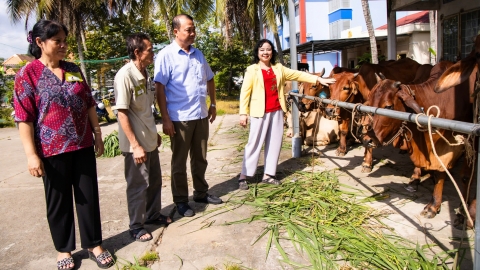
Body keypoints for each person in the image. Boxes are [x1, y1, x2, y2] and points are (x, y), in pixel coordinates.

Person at [14, 19, 113, 270]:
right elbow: (23, 118)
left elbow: (89, 102)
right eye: (57, 41)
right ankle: (64, 249)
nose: (63, 46)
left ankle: (94, 244)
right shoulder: (27, 75)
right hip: (51, 149)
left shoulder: (73, 68)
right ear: (40, 42)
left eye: (64, 41)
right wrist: (31, 155)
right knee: (58, 202)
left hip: (81, 145)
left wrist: (97, 133)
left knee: (88, 198)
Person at [237, 39, 336, 190]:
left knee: (275, 143)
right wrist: (243, 113)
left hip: (276, 111)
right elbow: (245, 92)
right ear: (257, 52)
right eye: (262, 49)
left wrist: (318, 78)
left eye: (268, 49)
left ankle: (268, 175)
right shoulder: (252, 70)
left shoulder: (279, 69)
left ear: (272, 52)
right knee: (254, 143)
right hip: (259, 112)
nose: (265, 52)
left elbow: (297, 75)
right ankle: (244, 175)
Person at [154, 14, 223, 218]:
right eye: (188, 30)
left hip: (201, 114)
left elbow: (210, 79)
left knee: (200, 158)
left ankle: (201, 193)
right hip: (179, 117)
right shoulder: (166, 55)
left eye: (193, 29)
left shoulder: (198, 54)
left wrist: (213, 104)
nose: (193, 33)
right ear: (176, 31)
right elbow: (160, 88)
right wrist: (165, 118)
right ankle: (181, 201)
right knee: (179, 162)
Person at [113, 33, 172, 242]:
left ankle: (153, 214)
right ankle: (136, 226)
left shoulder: (146, 73)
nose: (153, 54)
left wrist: (154, 134)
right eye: (150, 50)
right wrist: (135, 145)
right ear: (137, 52)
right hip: (135, 145)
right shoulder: (125, 75)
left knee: (155, 181)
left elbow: (146, 109)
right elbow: (122, 113)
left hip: (149, 140)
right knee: (138, 185)